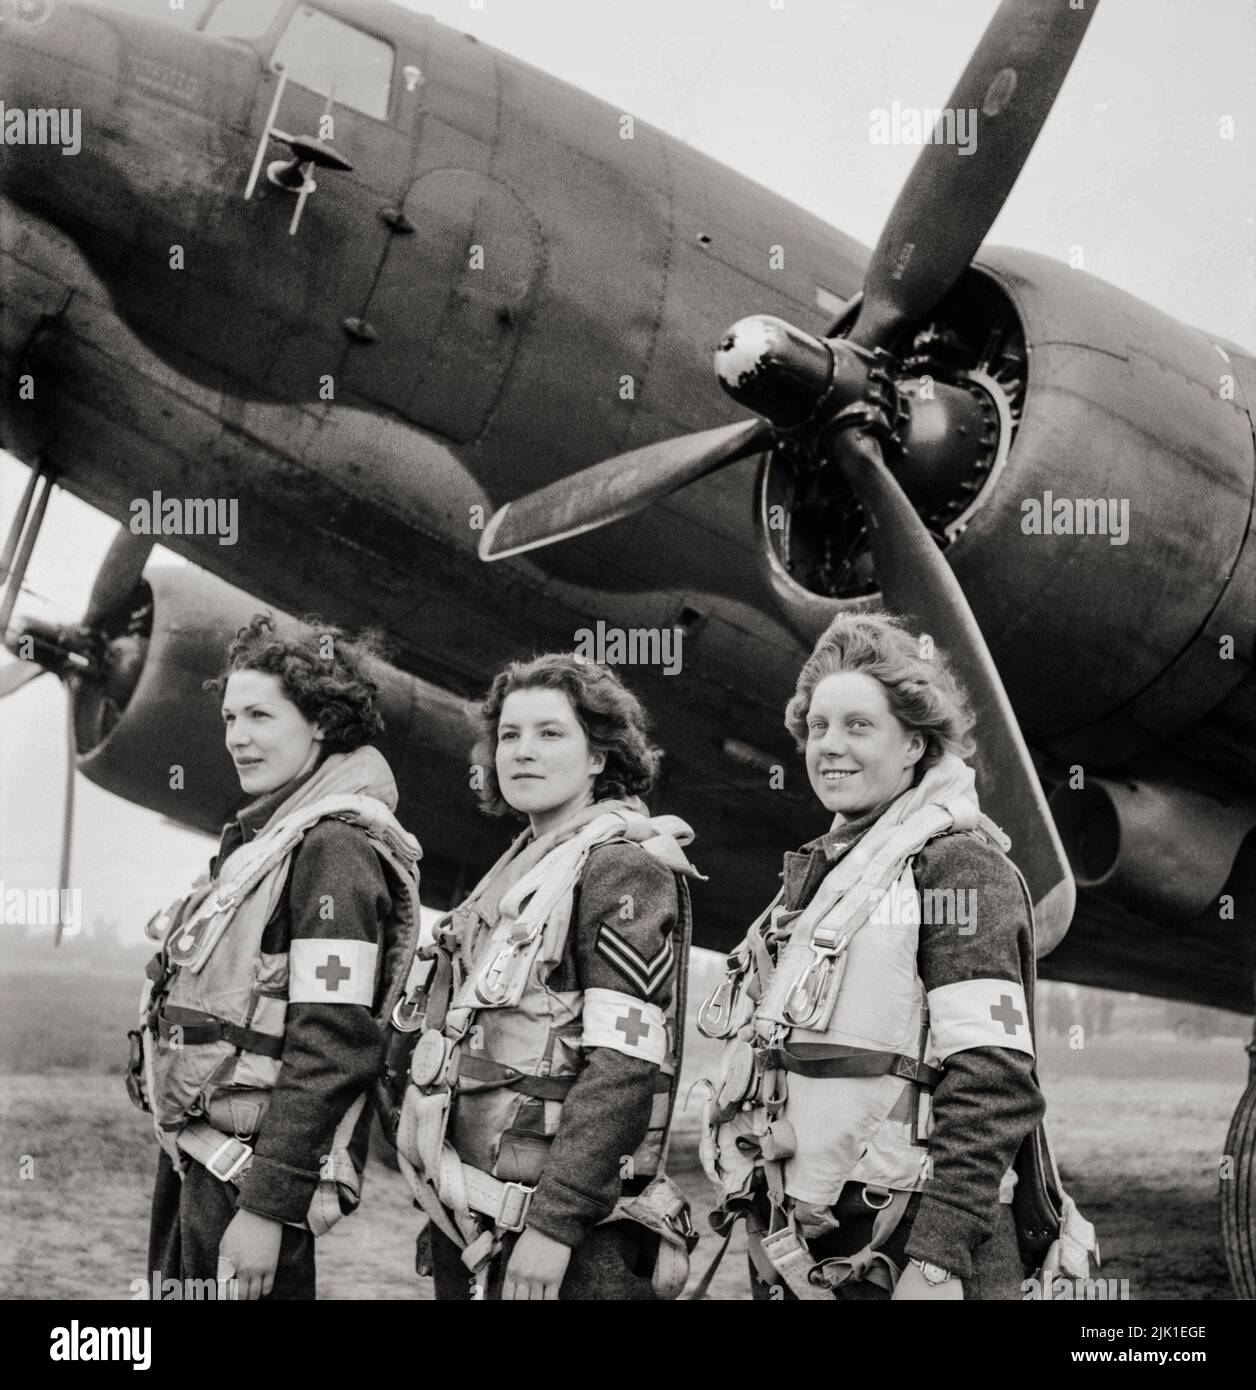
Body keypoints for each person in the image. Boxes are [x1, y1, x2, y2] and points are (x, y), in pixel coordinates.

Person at [698, 612, 1046, 1300]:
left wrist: (939, 1260)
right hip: (815, 1245)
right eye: (819, 727)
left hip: (908, 1254)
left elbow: (994, 1078)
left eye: (859, 726)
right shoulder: (831, 874)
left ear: (915, 743)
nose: (830, 746)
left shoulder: (958, 867)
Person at [128, 614, 422, 1300]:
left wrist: (269, 1205)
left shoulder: (335, 850)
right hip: (201, 1162)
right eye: (230, 716)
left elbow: (335, 1041)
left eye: (260, 715)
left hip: (247, 1179)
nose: (237, 737)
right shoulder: (268, 839)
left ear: (321, 721)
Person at [393, 653, 702, 1299]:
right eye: (510, 735)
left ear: (598, 758)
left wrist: (554, 1227)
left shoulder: (621, 868)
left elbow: (622, 1067)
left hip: (566, 1240)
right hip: (474, 1211)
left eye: (550, 733)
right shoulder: (519, 869)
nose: (523, 752)